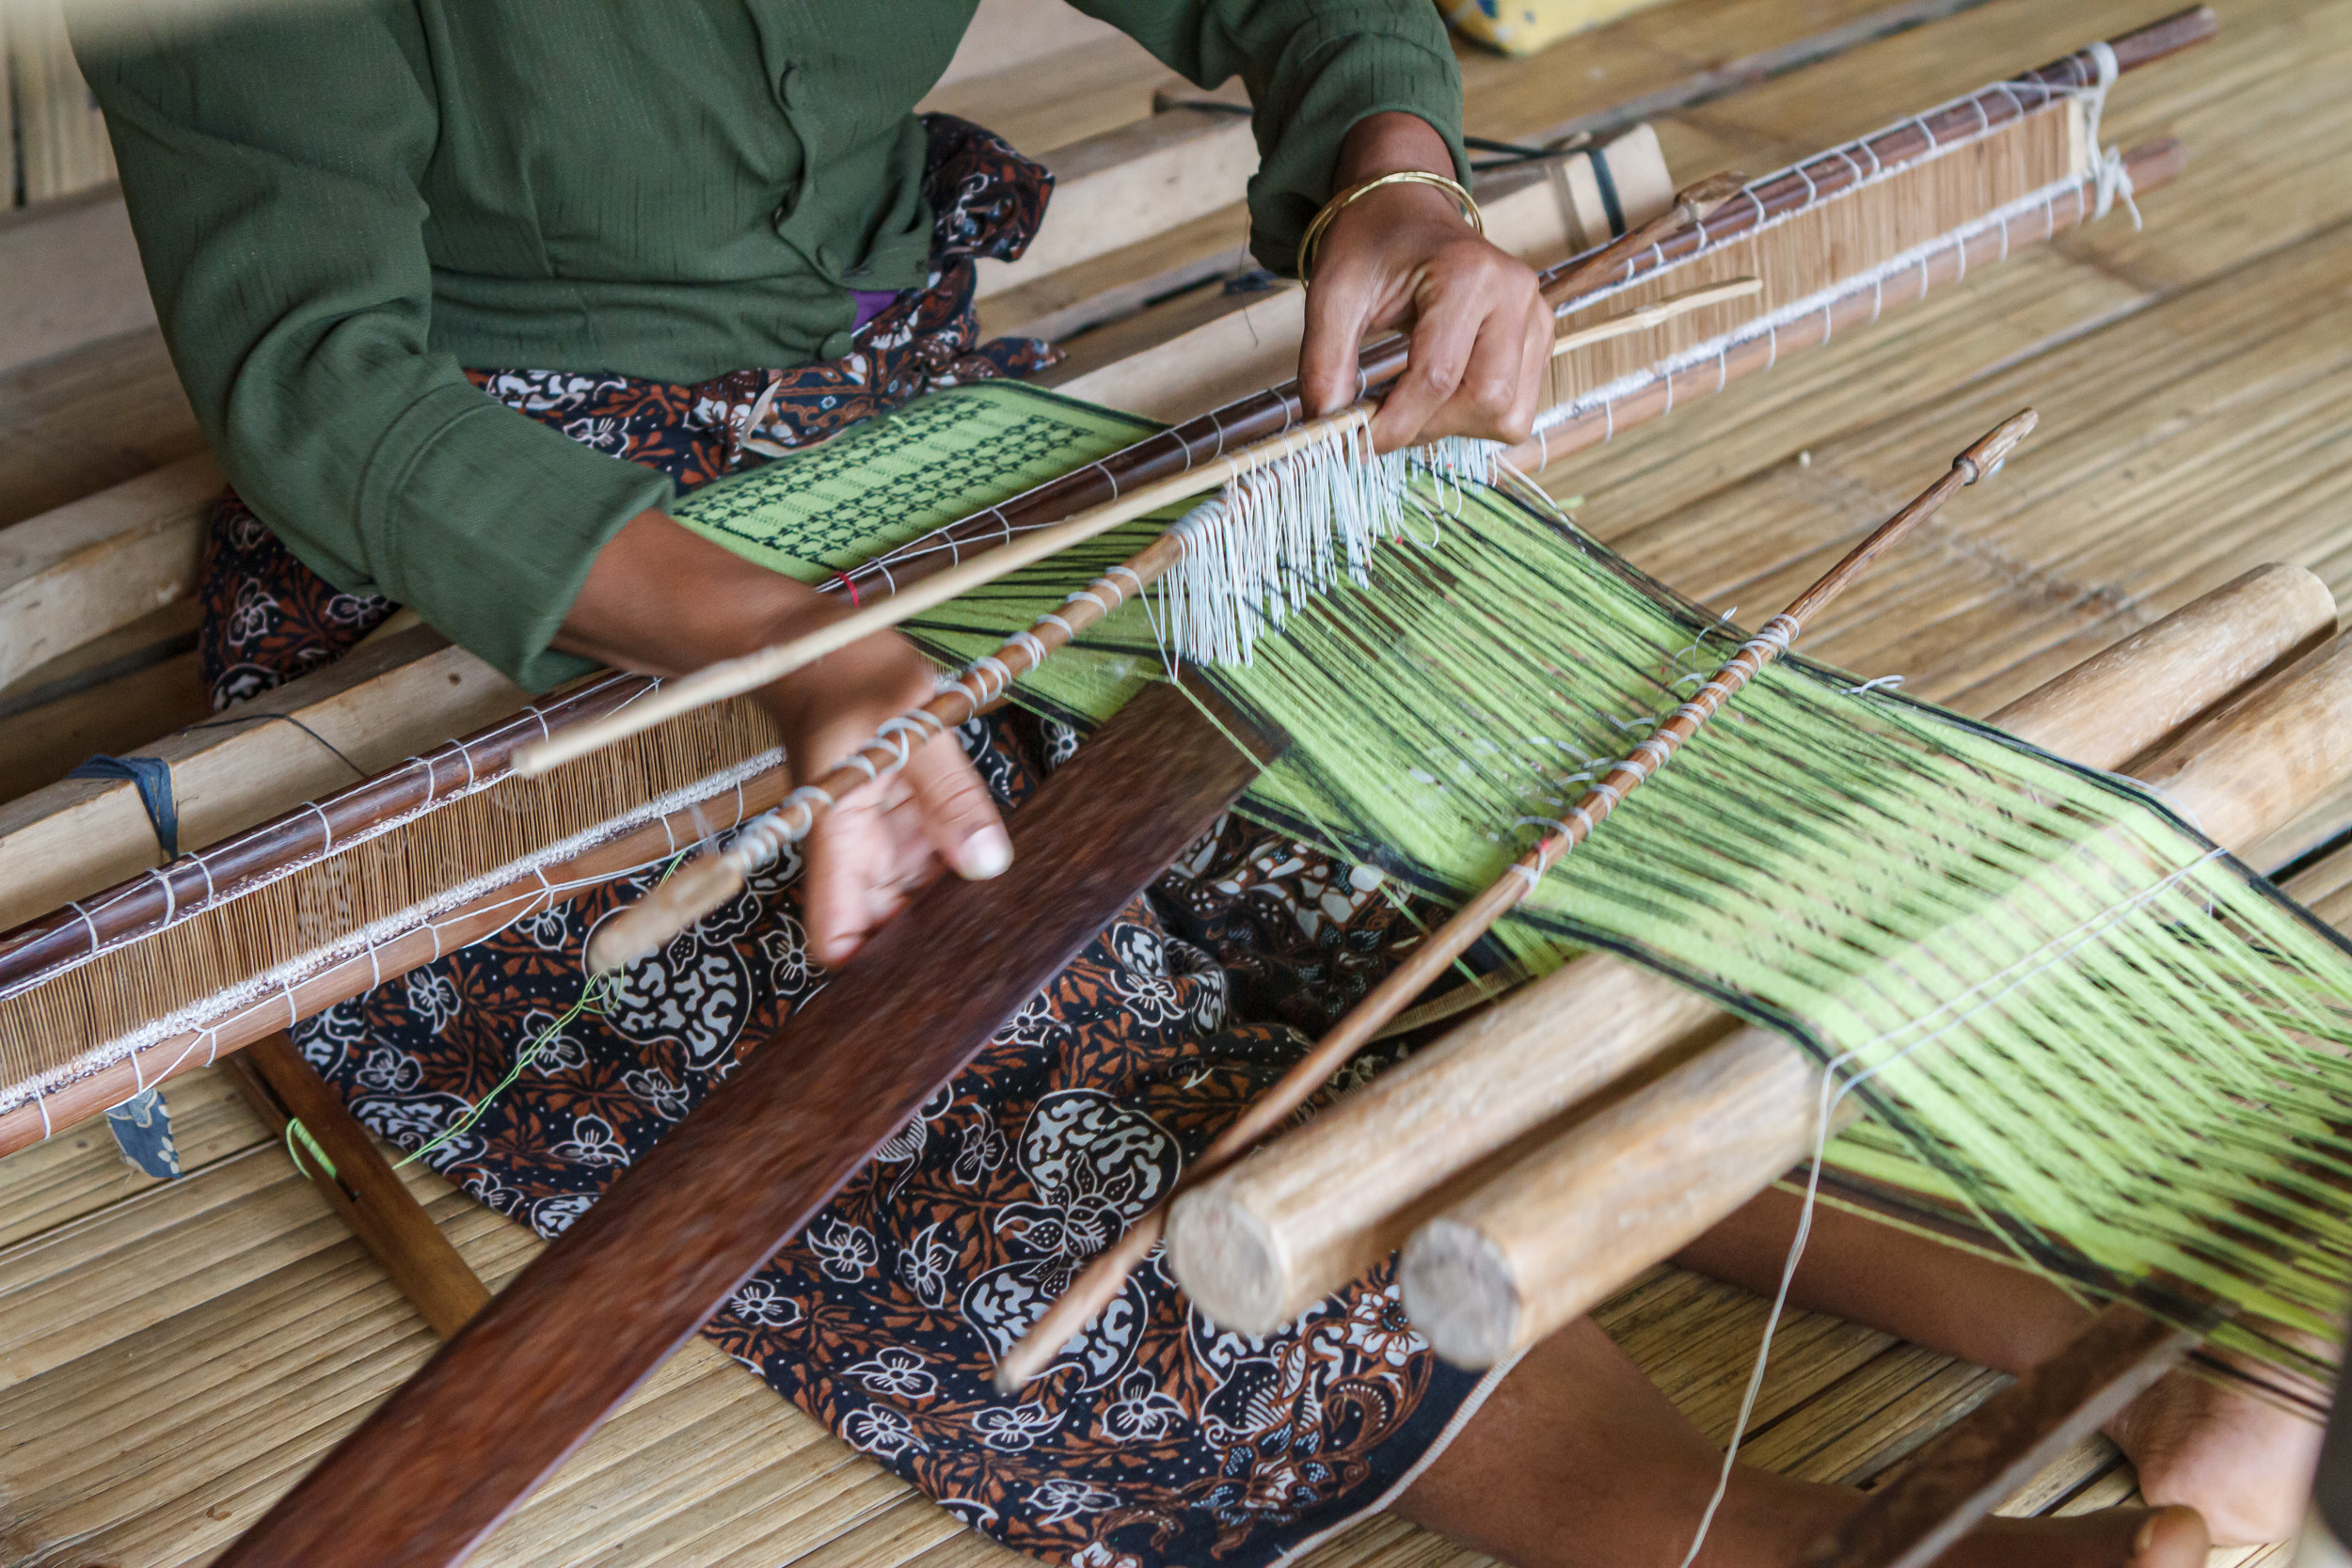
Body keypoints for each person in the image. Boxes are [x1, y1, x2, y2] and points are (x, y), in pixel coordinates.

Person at [76, 3, 2299, 1561]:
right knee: (1040, 1106)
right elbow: (317, 382)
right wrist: (775, 643)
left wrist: (1397, 179)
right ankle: (1756, 1550)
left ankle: (2165, 1340)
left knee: (1452, 865)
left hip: (929, 459)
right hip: (512, 569)